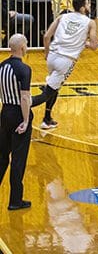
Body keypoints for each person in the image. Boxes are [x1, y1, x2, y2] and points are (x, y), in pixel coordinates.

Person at [34, 0, 98, 130]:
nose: (89, 6)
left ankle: (47, 119)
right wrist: (84, 42)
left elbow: (46, 36)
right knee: (48, 92)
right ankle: (22, 105)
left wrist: (46, 53)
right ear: (82, 8)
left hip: (52, 56)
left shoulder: (62, 17)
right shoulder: (90, 22)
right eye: (87, 4)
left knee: (54, 87)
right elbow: (94, 46)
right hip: (66, 61)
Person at [0, 34, 34, 211]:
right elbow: (24, 97)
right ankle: (15, 200)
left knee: (2, 156)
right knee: (18, 160)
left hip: (4, 111)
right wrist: (26, 120)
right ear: (22, 47)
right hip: (18, 115)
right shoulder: (24, 69)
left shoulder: (2, 66)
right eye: (26, 44)